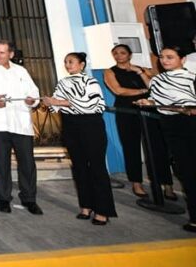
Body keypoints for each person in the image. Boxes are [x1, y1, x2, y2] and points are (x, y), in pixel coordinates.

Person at [42, 52, 116, 225]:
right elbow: (55, 106)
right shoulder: (63, 82)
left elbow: (91, 104)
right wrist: (48, 102)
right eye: (66, 62)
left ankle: (103, 210)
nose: (68, 65)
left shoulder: (91, 82)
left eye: (71, 62)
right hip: (70, 126)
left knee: (97, 167)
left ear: (82, 64)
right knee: (79, 167)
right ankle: (86, 205)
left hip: (91, 126)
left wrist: (59, 102)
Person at [0, 40, 42, 215]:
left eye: (2, 52)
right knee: (1, 164)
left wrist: (31, 100)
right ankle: (4, 199)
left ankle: (29, 199)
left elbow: (34, 93)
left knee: (27, 164)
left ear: (11, 54)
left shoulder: (21, 71)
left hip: (21, 124)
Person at [103, 44, 175, 199]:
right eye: (115, 53)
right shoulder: (110, 71)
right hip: (127, 110)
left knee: (157, 146)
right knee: (131, 146)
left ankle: (166, 184)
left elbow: (154, 85)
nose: (119, 55)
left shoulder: (141, 69)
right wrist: (142, 92)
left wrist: (141, 73)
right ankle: (136, 182)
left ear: (129, 55)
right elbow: (118, 90)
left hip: (149, 110)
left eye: (122, 53)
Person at [137, 46, 196, 233]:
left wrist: (187, 109)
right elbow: (157, 100)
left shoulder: (192, 78)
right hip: (170, 126)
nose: (165, 60)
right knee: (186, 171)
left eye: (170, 57)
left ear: (183, 59)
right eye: (162, 57)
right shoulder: (158, 80)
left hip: (191, 124)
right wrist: (148, 102)